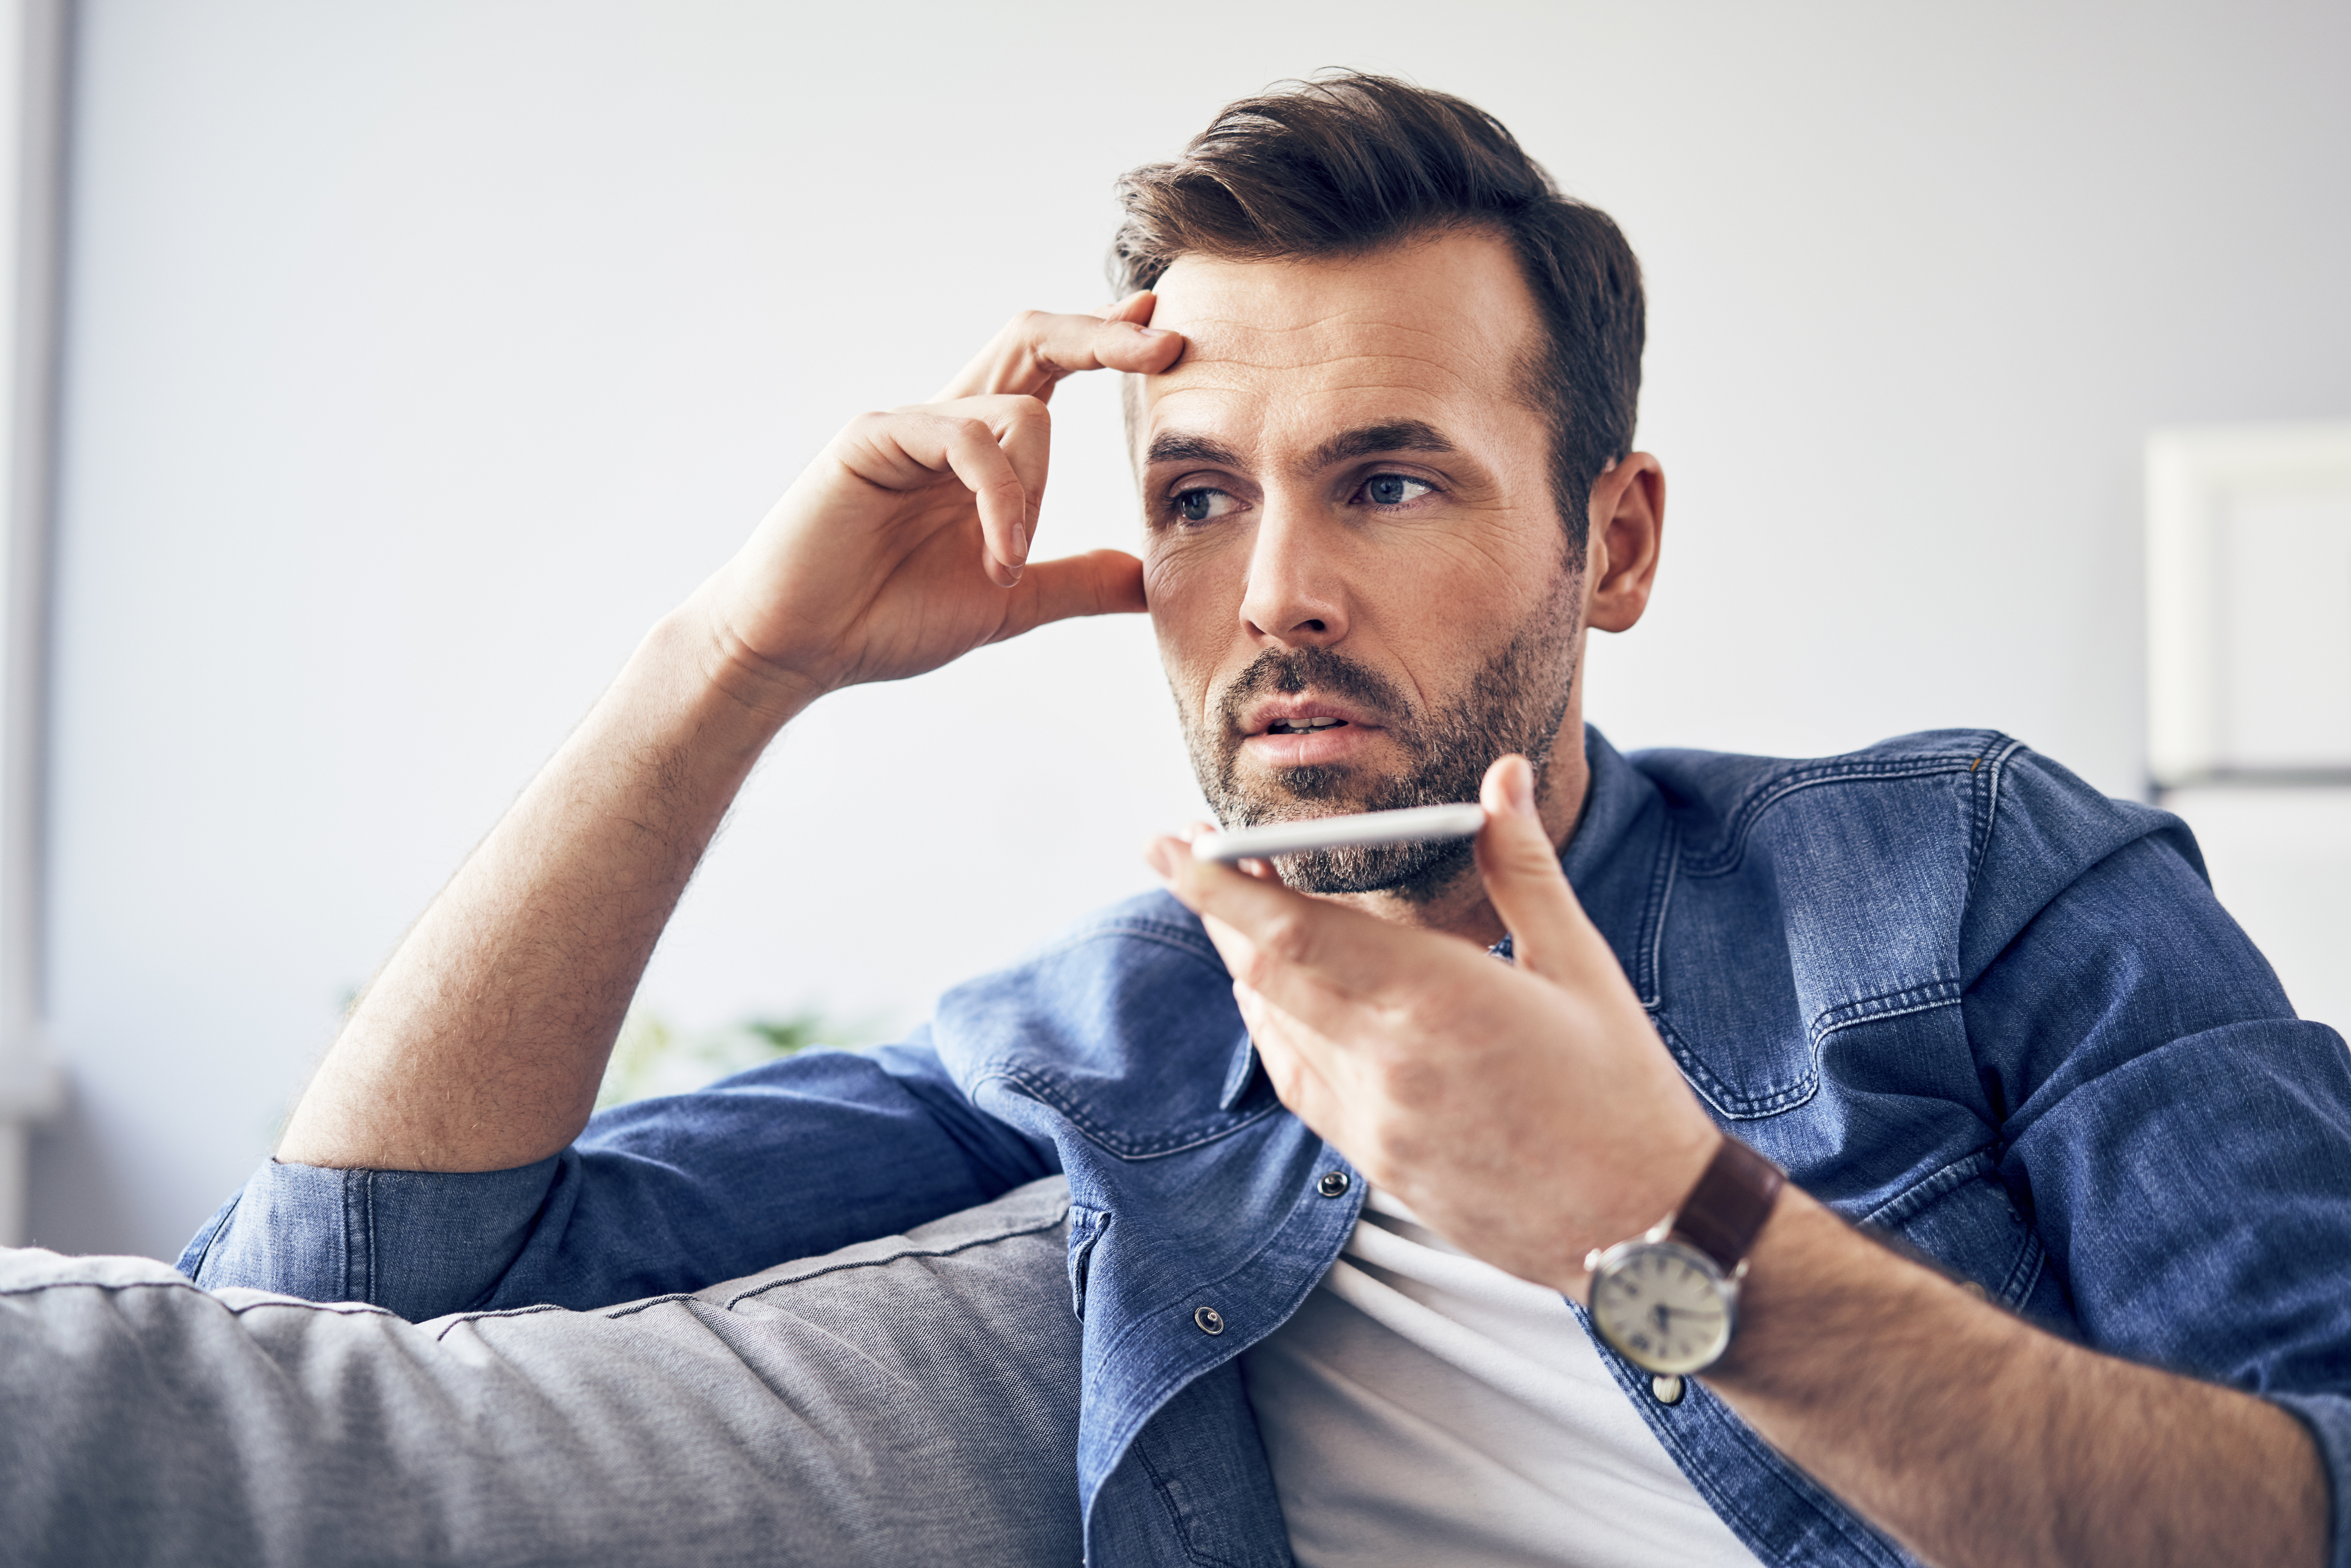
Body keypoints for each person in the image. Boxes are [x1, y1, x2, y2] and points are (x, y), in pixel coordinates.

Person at [6, 72, 2347, 1568]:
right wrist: (735, 663)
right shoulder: (1092, 1038)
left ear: (1610, 543)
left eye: (1392, 480)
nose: (1275, 594)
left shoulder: (1959, 878)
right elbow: (338, 1305)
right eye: (1199, 496)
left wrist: (1666, 1223)